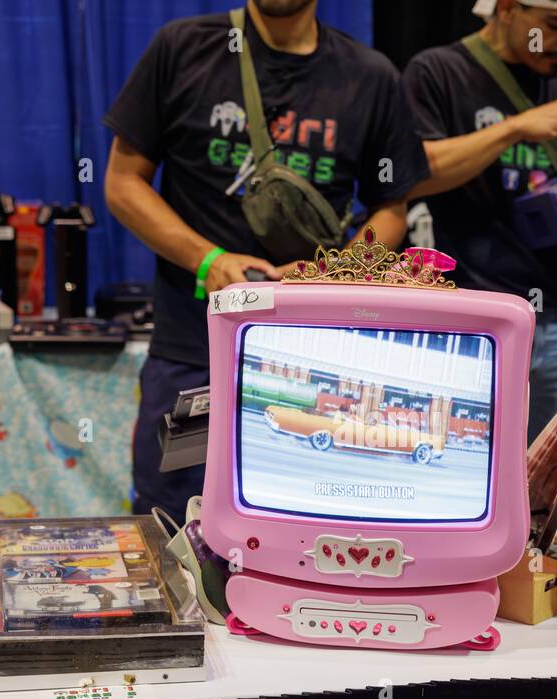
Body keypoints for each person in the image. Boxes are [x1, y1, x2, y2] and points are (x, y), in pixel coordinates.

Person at [104, 0, 429, 519]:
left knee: (304, 518)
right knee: (170, 517)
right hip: (193, 354)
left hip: (315, 365)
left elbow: (392, 209)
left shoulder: (371, 77)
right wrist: (208, 260)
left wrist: (332, 278)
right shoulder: (182, 48)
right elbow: (122, 183)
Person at [403, 0, 557, 438]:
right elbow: (412, 174)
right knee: (469, 459)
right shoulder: (437, 71)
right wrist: (514, 128)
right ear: (507, 9)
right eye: (556, 25)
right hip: (472, 320)